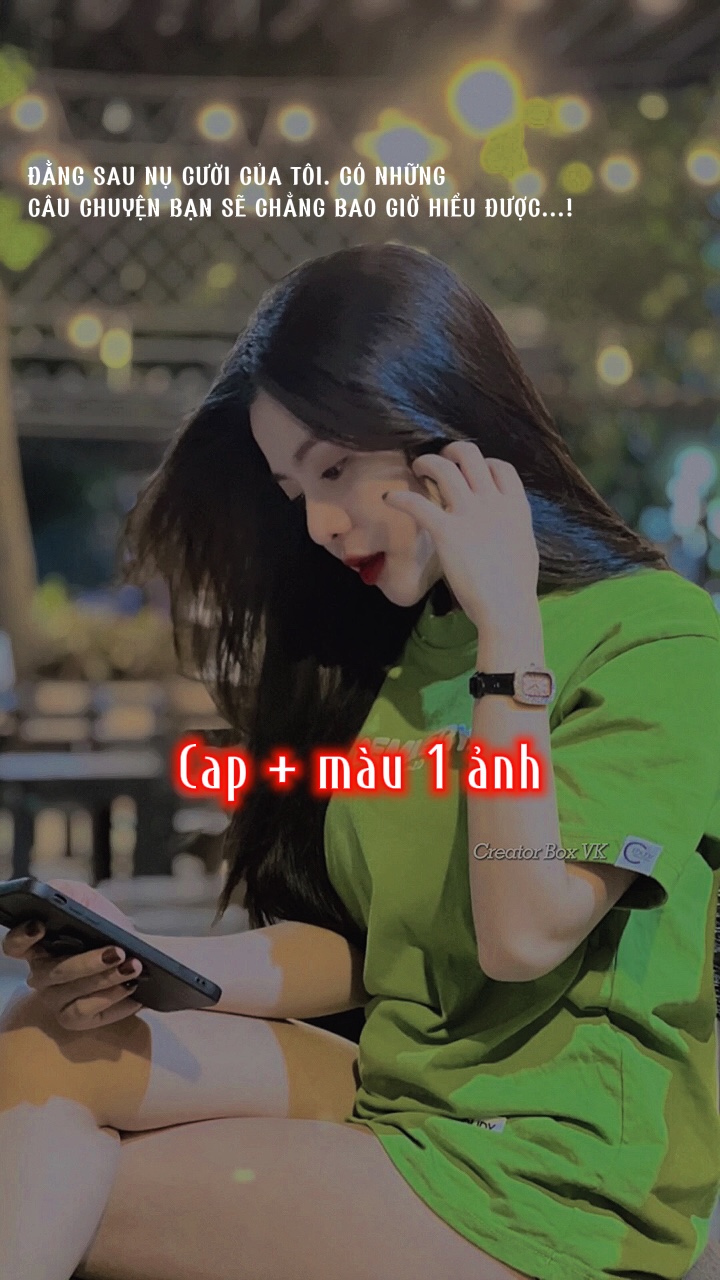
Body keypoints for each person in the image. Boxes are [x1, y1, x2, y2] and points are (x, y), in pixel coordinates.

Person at [1, 243, 719, 1280]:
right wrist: (135, 951)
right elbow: (363, 947)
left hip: (557, 1171)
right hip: (400, 1090)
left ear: (447, 422)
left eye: (335, 469)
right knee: (39, 1042)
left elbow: (523, 932)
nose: (320, 523)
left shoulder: (660, 636)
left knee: (60, 1188)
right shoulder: (403, 653)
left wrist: (508, 642)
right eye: (294, 488)